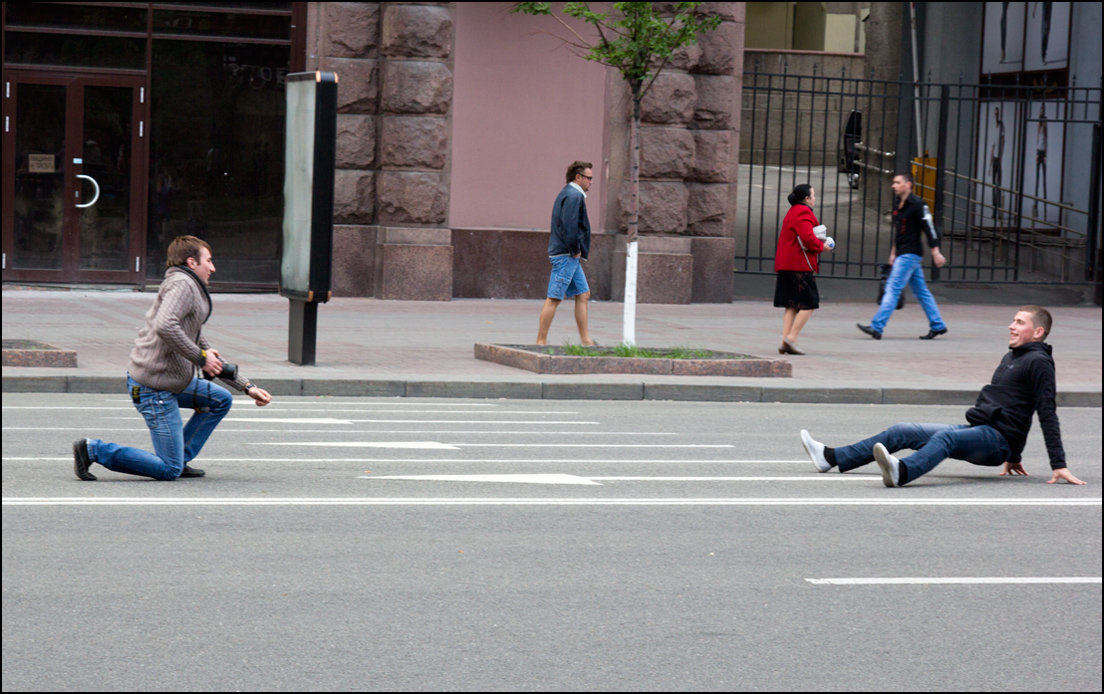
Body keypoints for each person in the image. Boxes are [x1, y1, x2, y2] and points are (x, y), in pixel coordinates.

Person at [805, 306, 1085, 487]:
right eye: (1012, 320)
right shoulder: (1013, 356)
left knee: (945, 439)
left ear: (1038, 332)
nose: (1011, 326)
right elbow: (1013, 407)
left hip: (996, 441)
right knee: (902, 430)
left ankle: (902, 472)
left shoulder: (1039, 363)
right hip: (983, 432)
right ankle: (832, 457)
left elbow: (1046, 412)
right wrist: (1015, 455)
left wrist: (1057, 464)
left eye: (1020, 322)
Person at [72, 235, 272, 481]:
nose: (213, 267)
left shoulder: (188, 285)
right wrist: (201, 358)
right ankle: (93, 449)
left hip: (172, 381)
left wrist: (246, 386)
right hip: (153, 387)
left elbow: (196, 339)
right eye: (208, 261)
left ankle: (180, 456)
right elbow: (165, 325)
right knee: (168, 470)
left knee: (219, 400)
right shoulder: (182, 285)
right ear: (191, 262)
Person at [857, 172, 948, 340]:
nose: (893, 186)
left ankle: (877, 327)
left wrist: (935, 251)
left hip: (910, 254)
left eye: (897, 182)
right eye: (894, 182)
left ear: (908, 185)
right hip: (903, 253)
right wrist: (893, 253)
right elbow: (899, 233)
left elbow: (929, 228)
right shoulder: (899, 204)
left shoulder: (918, 204)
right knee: (921, 292)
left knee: (892, 288)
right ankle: (938, 324)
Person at [536, 160, 596, 346]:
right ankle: (540, 341)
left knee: (583, 294)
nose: (591, 182)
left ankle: (586, 341)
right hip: (566, 254)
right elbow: (569, 226)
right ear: (578, 177)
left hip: (568, 254)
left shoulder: (569, 194)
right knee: (554, 298)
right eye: (589, 178)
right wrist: (575, 249)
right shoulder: (573, 196)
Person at [773, 184, 833, 355]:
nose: (815, 198)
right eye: (813, 195)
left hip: (787, 264)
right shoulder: (803, 212)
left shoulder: (793, 211)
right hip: (798, 265)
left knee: (791, 305)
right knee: (809, 303)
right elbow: (807, 238)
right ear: (806, 198)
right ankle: (791, 338)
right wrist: (823, 247)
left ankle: (785, 341)